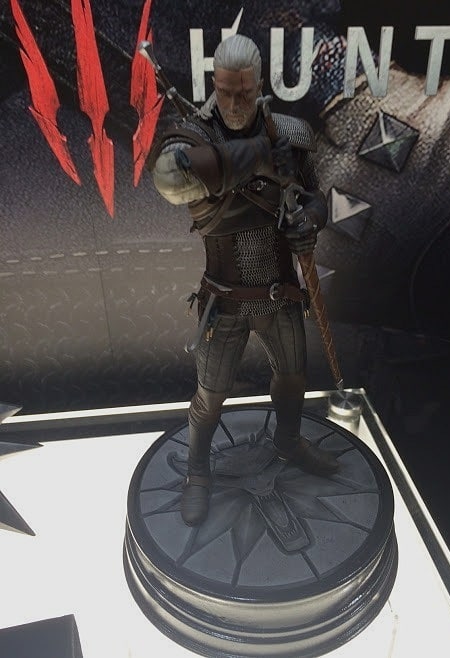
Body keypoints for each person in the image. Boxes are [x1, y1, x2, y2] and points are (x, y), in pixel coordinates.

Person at [151, 34, 338, 526]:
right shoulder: (194, 135)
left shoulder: (291, 134)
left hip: (280, 291)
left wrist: (309, 221)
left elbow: (316, 196)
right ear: (214, 83)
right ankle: (197, 471)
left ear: (259, 85)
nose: (234, 103)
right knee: (210, 397)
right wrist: (256, 154)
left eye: (245, 93)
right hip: (225, 298)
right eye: (226, 91)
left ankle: (288, 441)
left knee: (293, 379)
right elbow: (169, 179)